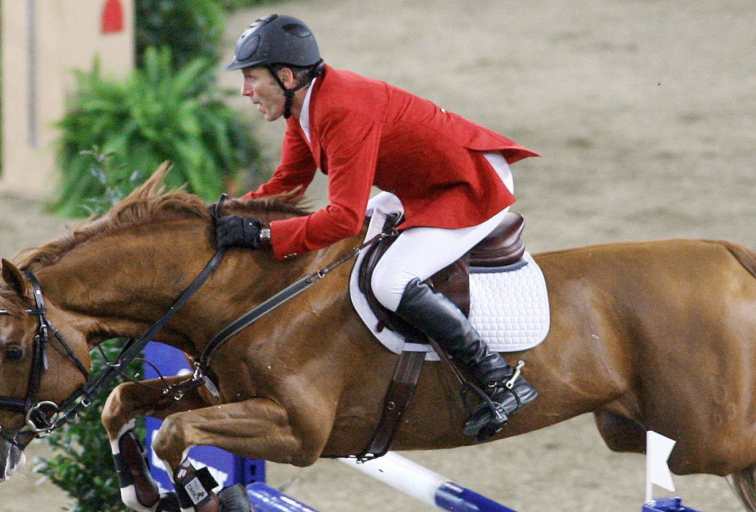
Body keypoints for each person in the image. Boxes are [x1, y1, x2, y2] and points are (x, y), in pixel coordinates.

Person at [215, 14, 538, 439]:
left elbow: (343, 215)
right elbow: (288, 184)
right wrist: (223, 213)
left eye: (251, 77)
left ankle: (498, 379)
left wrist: (262, 235)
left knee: (390, 280)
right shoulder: (303, 105)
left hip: (469, 185)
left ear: (287, 75)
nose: (244, 91)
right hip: (422, 186)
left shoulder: (342, 108)